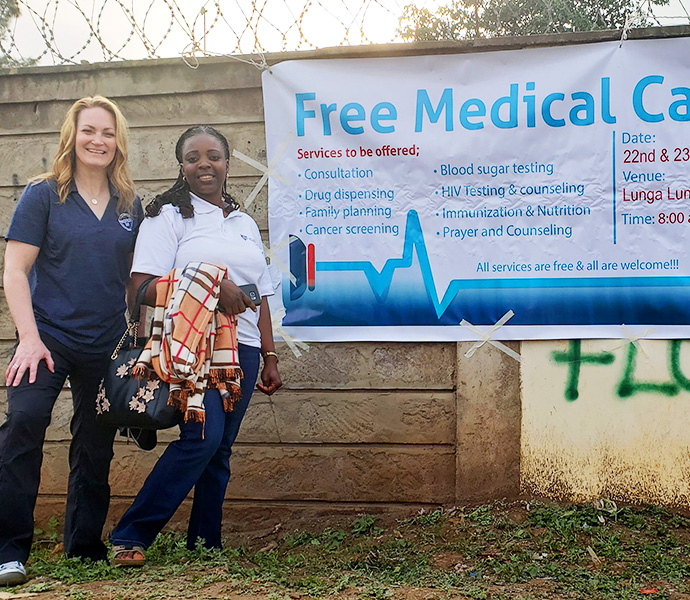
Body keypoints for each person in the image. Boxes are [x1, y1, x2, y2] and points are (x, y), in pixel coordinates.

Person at [110, 125, 282, 565]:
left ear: (227, 163)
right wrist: (210, 285)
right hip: (192, 347)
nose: (204, 164)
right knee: (201, 440)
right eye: (193, 157)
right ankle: (131, 534)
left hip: (240, 352)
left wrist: (269, 354)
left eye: (213, 156)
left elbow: (260, 296)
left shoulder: (243, 222)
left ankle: (205, 542)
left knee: (220, 450)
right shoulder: (167, 217)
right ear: (181, 166)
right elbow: (141, 288)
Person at [0, 96, 142, 585]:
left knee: (95, 443)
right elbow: (15, 271)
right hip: (47, 337)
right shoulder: (43, 195)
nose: (98, 140)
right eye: (89, 131)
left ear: (118, 141)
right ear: (72, 135)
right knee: (24, 422)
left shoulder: (130, 204)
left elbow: (132, 279)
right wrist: (28, 340)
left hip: (105, 341)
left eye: (107, 132)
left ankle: (83, 547)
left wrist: (137, 340)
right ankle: (8, 551)